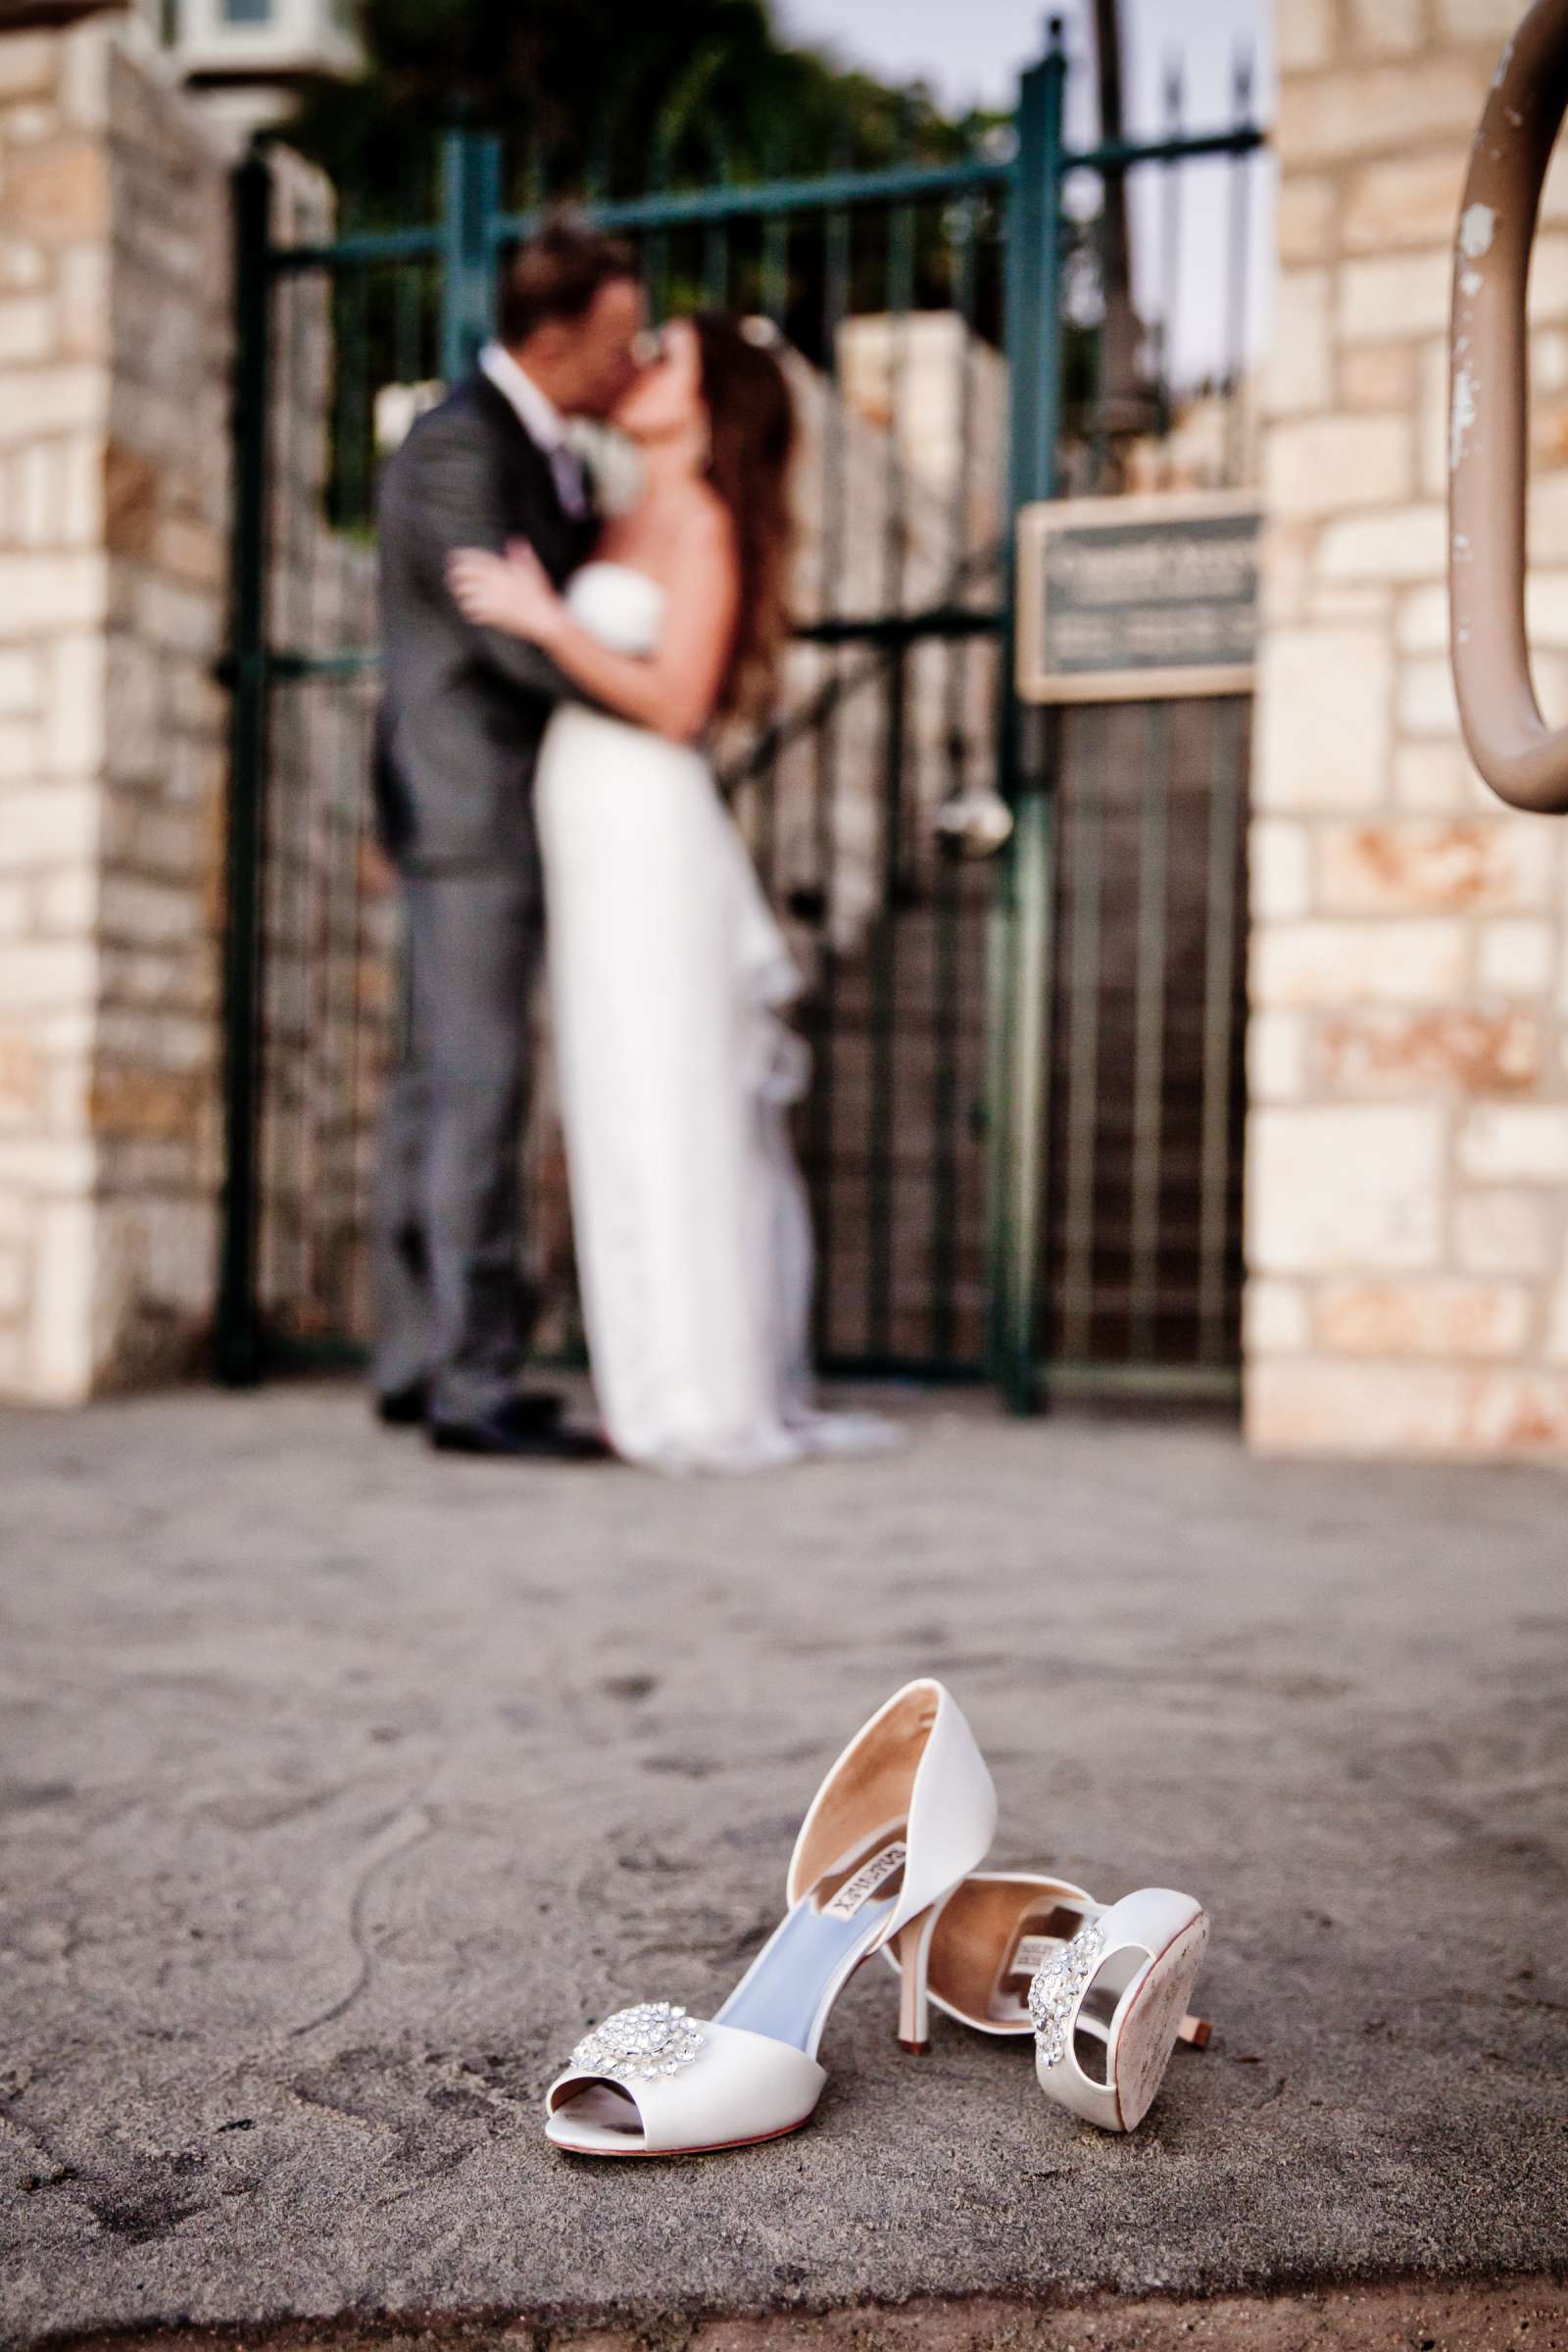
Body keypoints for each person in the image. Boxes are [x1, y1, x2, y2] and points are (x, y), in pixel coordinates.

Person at [449, 315, 899, 1474]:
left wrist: (547, 620)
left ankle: (701, 1394)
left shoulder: (702, 520)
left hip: (648, 830)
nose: (640, 363)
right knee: (610, 1102)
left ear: (713, 398)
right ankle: (643, 1376)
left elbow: (679, 703)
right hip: (589, 831)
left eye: (667, 356)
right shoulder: (610, 507)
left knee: (669, 1098)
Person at [371, 220, 644, 1457]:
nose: (627, 364)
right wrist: (646, 693)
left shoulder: (543, 449)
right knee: (474, 1089)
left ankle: (420, 1361)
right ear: (550, 338)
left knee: (445, 1081)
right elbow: (498, 637)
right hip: (471, 808)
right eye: (616, 341)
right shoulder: (458, 447)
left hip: (491, 806)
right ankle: (472, 1382)